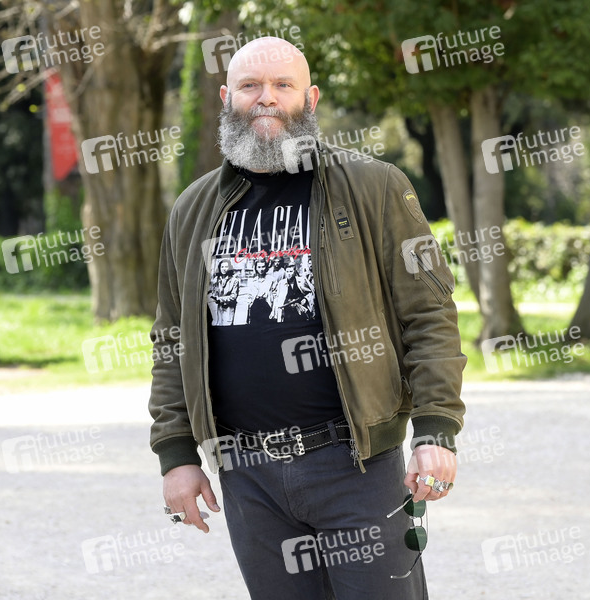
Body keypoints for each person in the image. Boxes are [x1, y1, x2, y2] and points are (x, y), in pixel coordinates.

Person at [149, 36, 466, 599]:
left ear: (310, 98)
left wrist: (435, 429)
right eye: (250, 86)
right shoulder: (192, 208)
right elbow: (172, 338)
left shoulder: (374, 187)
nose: (265, 98)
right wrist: (176, 454)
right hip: (247, 475)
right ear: (226, 98)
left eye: (283, 85)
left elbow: (429, 314)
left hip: (356, 467)